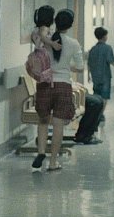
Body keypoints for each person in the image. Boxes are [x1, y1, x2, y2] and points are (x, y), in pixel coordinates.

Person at [31, 9, 84, 171]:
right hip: (63, 85)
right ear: (70, 25)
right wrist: (66, 66)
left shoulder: (45, 40)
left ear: (55, 21)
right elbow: (80, 67)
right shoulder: (74, 44)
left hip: (45, 84)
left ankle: (41, 152)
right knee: (58, 125)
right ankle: (53, 162)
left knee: (43, 121)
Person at [76, 27, 114, 144]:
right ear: (104, 36)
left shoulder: (93, 49)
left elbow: (89, 63)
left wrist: (89, 75)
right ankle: (99, 116)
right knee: (103, 98)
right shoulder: (108, 48)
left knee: (97, 96)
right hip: (105, 76)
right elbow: (111, 61)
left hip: (95, 76)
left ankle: (97, 116)